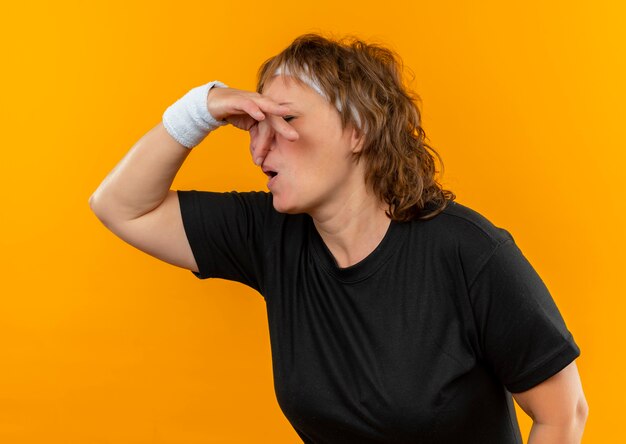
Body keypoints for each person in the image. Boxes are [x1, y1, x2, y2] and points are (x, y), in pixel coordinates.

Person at [89, 33, 588, 443]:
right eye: (252, 126)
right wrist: (200, 108)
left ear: (359, 130)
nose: (260, 149)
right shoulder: (270, 234)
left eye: (286, 119)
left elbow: (564, 416)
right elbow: (120, 206)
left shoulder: (469, 252)